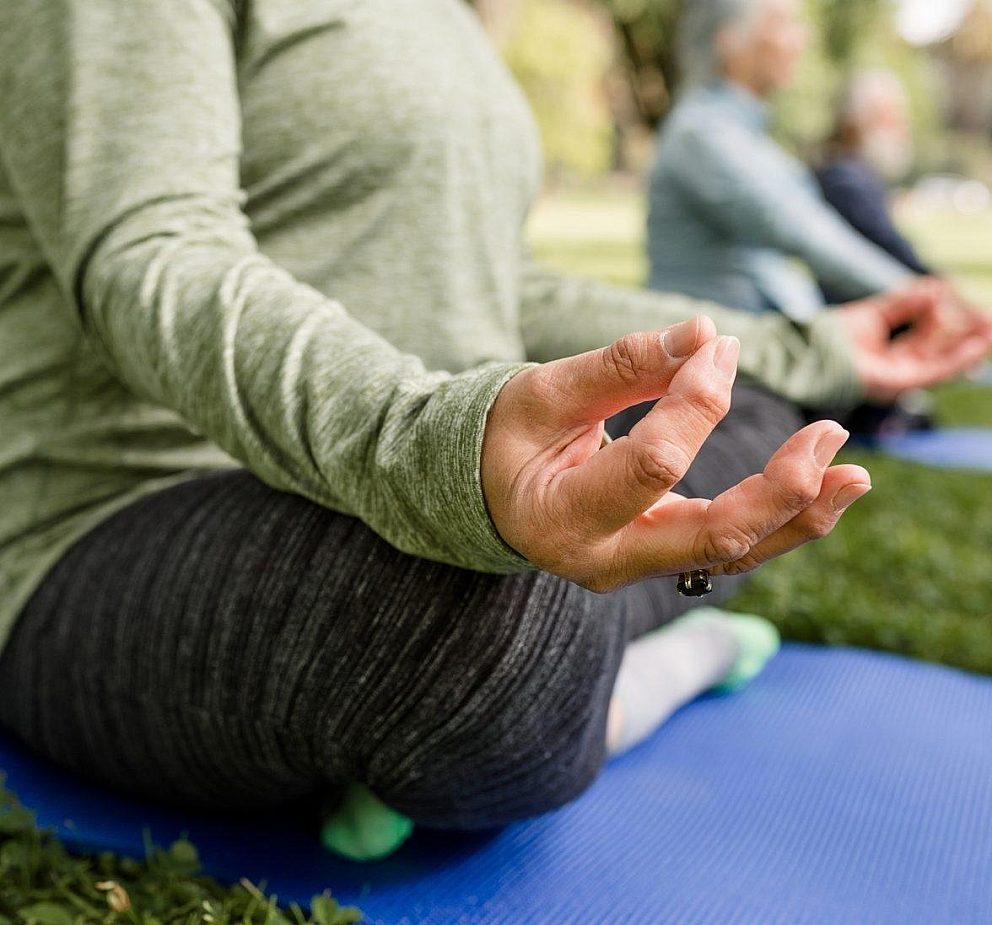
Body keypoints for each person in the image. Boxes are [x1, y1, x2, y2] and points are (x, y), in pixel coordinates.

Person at [0, 0, 988, 863]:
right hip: (129, 510)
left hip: (407, 459)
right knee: (473, 626)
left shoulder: (453, 18)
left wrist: (799, 346)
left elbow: (498, 285)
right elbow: (154, 253)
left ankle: (591, 627)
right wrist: (435, 450)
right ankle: (650, 656)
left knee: (767, 415)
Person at [646, 0, 922, 324]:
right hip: (722, 353)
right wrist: (917, 295)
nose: (800, 39)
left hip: (759, 340)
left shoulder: (745, 135)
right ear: (729, 40)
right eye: (782, 23)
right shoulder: (700, 135)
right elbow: (802, 231)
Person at [816, 70, 934, 304]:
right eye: (892, 117)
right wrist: (940, 288)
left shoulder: (857, 175)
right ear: (860, 122)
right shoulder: (845, 180)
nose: (903, 128)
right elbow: (892, 249)